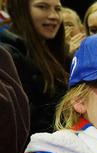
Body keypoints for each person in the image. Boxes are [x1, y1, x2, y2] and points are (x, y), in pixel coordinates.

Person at [1, 0, 68, 135]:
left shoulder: (57, 52)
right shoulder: (8, 56)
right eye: (42, 7)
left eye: (58, 9)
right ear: (21, 10)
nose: (54, 15)